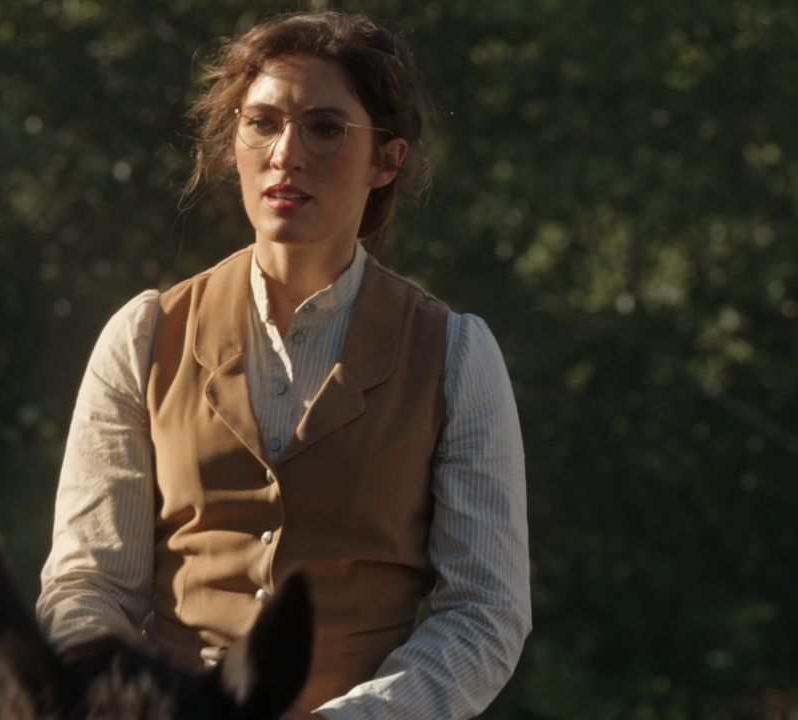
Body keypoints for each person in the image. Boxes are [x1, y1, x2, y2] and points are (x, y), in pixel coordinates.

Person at [36, 11, 530, 720]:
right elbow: (87, 584)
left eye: (325, 129)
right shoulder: (144, 336)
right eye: (262, 124)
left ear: (388, 160)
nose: (286, 154)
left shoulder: (455, 354)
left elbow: (485, 614)